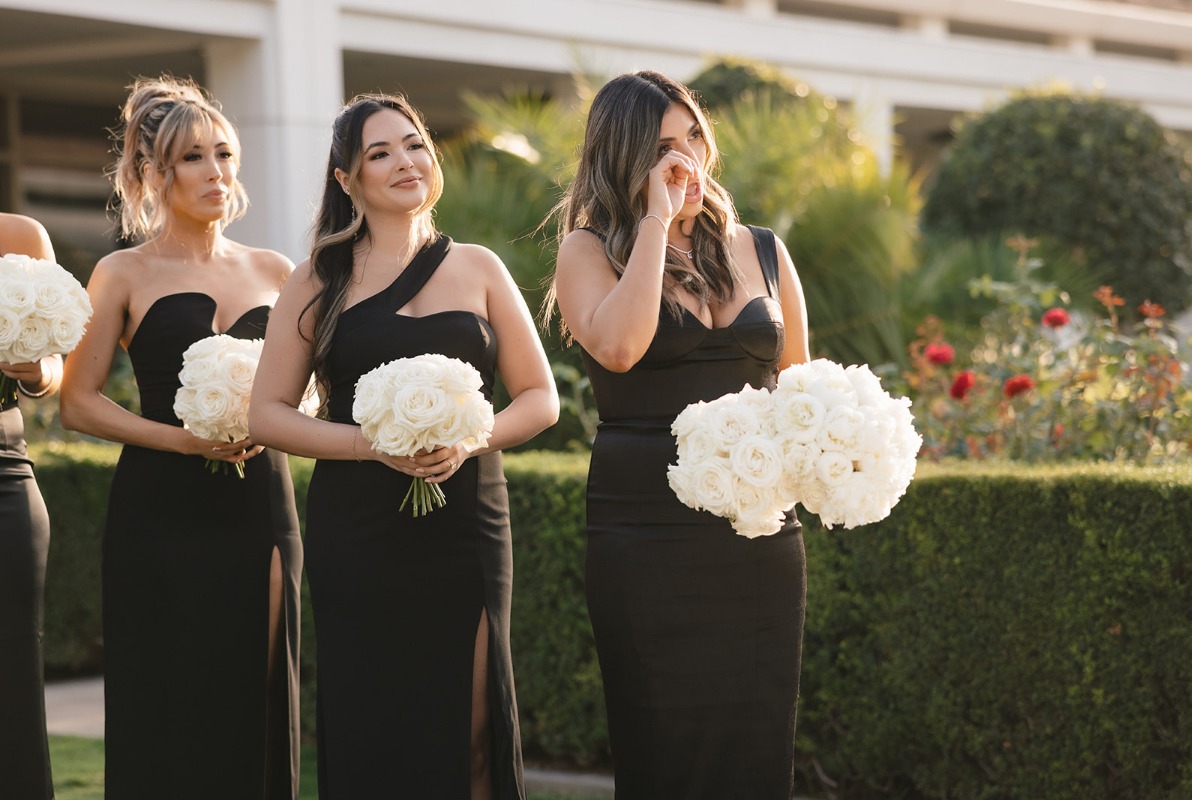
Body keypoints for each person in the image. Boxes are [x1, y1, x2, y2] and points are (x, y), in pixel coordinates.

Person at [248, 94, 557, 800]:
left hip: (466, 523)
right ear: (346, 180)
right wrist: (368, 445)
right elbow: (267, 415)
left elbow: (542, 398)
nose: (404, 162)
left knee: (474, 724)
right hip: (358, 531)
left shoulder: (478, 267)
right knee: (372, 724)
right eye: (378, 153)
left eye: (414, 144)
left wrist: (469, 435)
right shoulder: (316, 280)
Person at [547, 70, 811, 799]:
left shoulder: (762, 250)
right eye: (663, 146)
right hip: (647, 537)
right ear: (623, 156)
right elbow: (623, 348)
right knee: (662, 740)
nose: (687, 159)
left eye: (694, 135)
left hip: (759, 536)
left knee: (756, 739)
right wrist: (657, 224)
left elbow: (800, 389)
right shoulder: (588, 251)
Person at [59, 76, 302, 799]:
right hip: (158, 511)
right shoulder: (121, 273)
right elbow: (78, 401)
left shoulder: (276, 271)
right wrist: (183, 442)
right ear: (150, 173)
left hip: (261, 503)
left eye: (224, 154)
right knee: (166, 694)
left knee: (257, 685)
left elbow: (302, 392)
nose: (216, 173)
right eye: (193, 158)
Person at [0, 213, 61, 800]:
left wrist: (39, 370)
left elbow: (54, 366)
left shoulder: (18, 236)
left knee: (10, 686)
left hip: (1, 474)